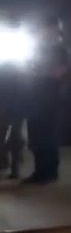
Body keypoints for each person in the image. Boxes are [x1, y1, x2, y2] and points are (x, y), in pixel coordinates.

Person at [24, 15, 70, 185]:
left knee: (48, 136)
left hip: (52, 98)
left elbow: (59, 73)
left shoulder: (61, 49)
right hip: (36, 97)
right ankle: (39, 171)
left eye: (46, 28)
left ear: (54, 29)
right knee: (36, 136)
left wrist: (39, 71)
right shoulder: (39, 48)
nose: (42, 32)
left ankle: (49, 172)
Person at [0, 10, 28, 180]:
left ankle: (15, 165)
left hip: (17, 92)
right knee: (4, 130)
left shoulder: (23, 42)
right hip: (6, 89)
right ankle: (5, 162)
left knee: (16, 132)